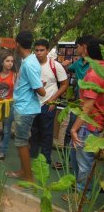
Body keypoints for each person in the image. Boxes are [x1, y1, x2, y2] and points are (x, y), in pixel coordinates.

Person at [6, 31, 45, 182]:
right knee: (22, 142)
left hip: (25, 109)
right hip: (25, 106)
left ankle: (29, 178)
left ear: (17, 44)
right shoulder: (30, 60)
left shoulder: (28, 63)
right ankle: (23, 171)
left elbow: (40, 91)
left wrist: (41, 87)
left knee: (21, 143)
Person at [68, 38, 104, 199]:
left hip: (88, 125)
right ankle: (80, 189)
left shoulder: (94, 74)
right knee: (78, 158)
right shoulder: (99, 69)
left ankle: (83, 195)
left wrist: (74, 128)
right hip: (94, 123)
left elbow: (88, 106)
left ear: (87, 50)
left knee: (83, 162)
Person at [53, 35, 94, 169]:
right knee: (70, 132)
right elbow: (67, 70)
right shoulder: (78, 62)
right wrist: (63, 65)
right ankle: (66, 161)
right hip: (78, 103)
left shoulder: (96, 66)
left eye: (77, 46)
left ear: (84, 46)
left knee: (85, 136)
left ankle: (81, 170)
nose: (76, 49)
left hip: (91, 105)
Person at [29, 39, 69, 164]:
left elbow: (64, 84)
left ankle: (45, 159)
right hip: (33, 104)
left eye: (42, 50)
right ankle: (32, 157)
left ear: (47, 51)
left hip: (48, 104)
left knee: (46, 133)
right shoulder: (30, 65)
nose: (39, 53)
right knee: (33, 131)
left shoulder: (55, 65)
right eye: (36, 50)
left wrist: (53, 100)